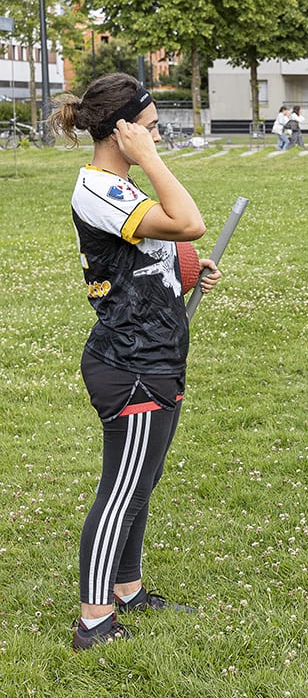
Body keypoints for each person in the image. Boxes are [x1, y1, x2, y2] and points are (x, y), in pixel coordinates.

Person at [48, 73, 222, 650]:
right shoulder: (100, 188)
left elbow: (158, 247)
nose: (157, 138)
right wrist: (149, 161)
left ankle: (128, 590)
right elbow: (189, 221)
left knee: (140, 484)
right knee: (119, 490)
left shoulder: (119, 190)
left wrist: (184, 270)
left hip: (158, 351)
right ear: (120, 133)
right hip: (129, 361)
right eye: (148, 130)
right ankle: (94, 621)